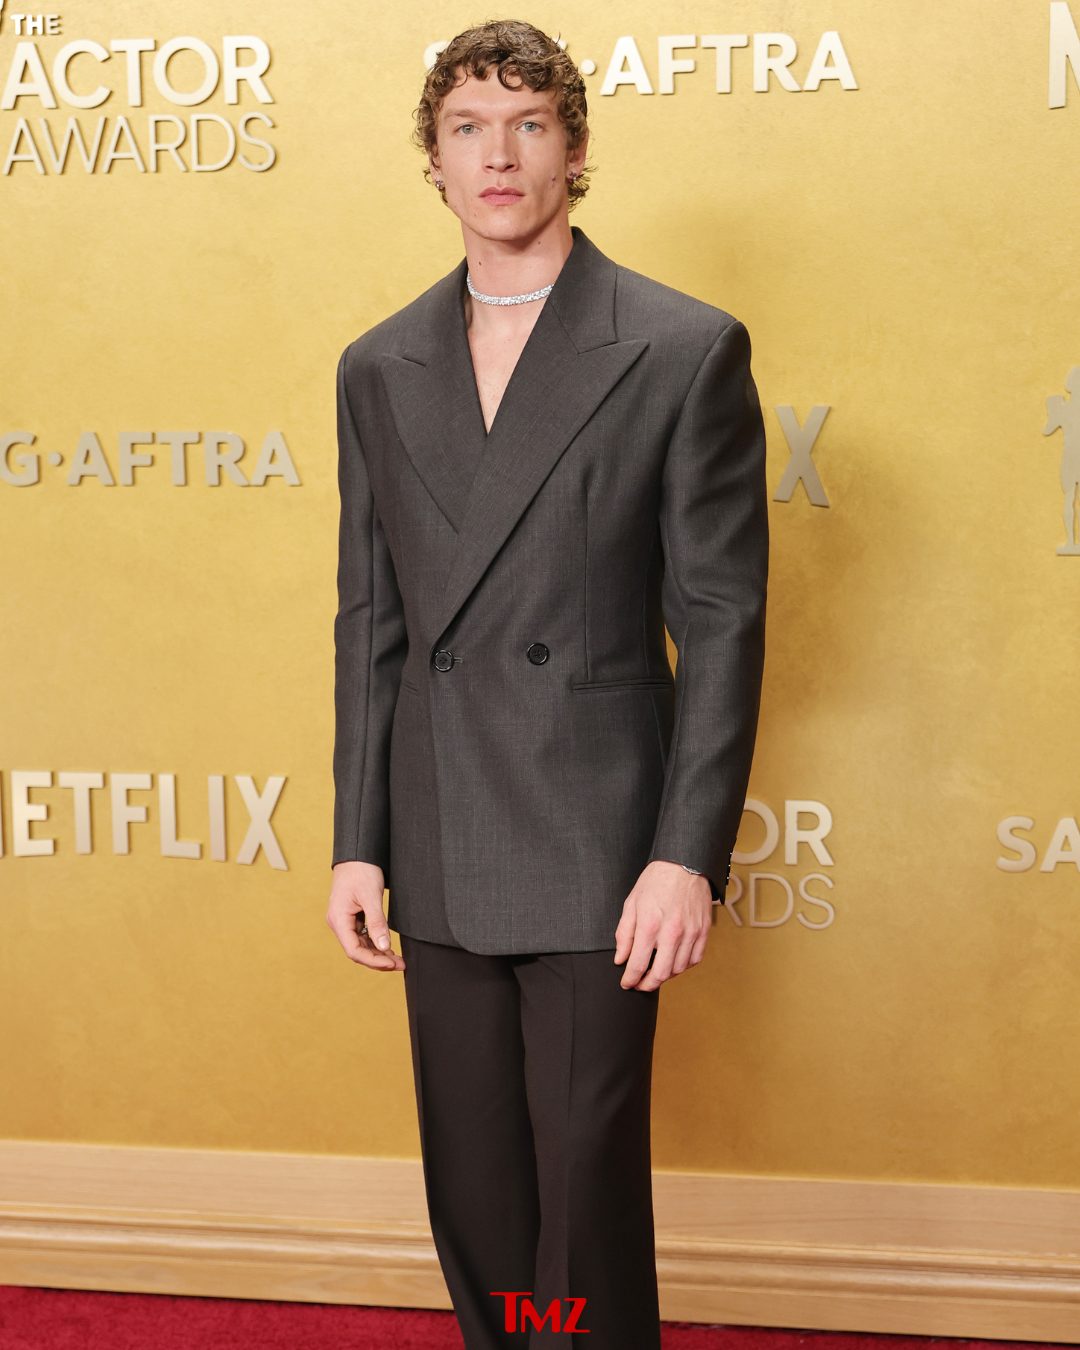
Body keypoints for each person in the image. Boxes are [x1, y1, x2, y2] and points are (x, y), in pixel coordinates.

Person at [325, 18, 769, 1348]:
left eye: (528, 124)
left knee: (581, 1195)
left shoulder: (681, 347)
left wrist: (684, 856)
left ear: (574, 151)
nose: (497, 154)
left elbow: (721, 621)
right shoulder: (378, 364)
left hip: (599, 842)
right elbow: (373, 620)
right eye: (467, 127)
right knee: (476, 1194)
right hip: (440, 831)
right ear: (435, 161)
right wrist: (358, 841)